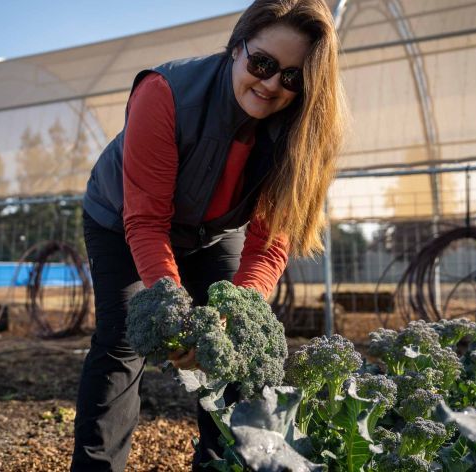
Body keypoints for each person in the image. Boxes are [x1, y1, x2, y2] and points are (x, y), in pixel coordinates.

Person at [70, 0, 345, 470]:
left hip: (213, 233)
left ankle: (221, 464)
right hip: (123, 220)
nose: (272, 83)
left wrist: (228, 316)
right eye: (262, 63)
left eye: (292, 77)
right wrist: (174, 314)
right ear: (236, 48)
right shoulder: (166, 92)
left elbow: (270, 241)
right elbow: (147, 221)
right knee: (123, 341)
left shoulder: (302, 129)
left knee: (237, 345)